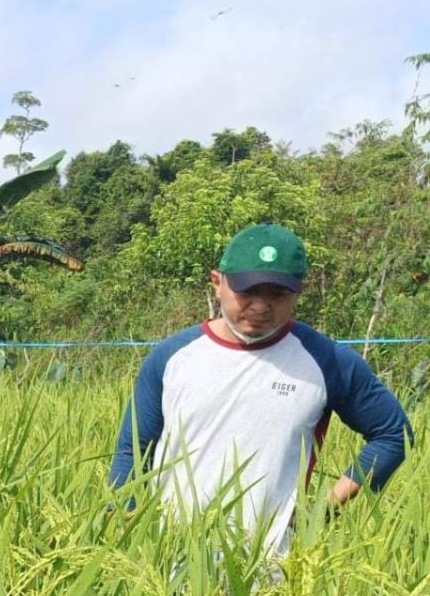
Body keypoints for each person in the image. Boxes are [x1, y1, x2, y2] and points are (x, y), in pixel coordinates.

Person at [109, 223, 414, 555]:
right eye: (247, 291)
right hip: (170, 560)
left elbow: (393, 435)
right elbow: (134, 450)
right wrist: (122, 531)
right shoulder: (172, 357)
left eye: (277, 294)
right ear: (217, 283)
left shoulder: (327, 361)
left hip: (274, 571)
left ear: (300, 291)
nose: (260, 306)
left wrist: (325, 508)